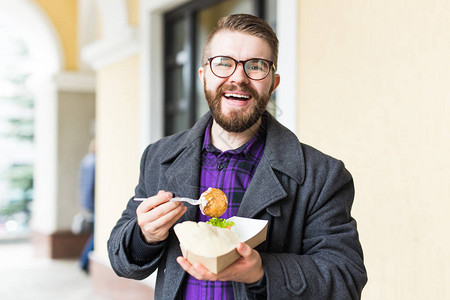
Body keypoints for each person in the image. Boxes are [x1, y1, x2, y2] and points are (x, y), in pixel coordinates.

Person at [108, 14, 367, 299]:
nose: (238, 77)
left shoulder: (322, 175)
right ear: (202, 75)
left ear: (274, 82)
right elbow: (122, 261)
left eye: (256, 66)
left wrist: (261, 272)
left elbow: (346, 278)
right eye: (223, 63)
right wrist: (145, 235)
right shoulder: (158, 157)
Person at [78, 138, 95, 272]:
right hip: (93, 202)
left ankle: (84, 261)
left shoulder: (86, 160)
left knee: (94, 232)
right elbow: (90, 185)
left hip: (87, 201)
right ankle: (84, 262)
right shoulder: (94, 162)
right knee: (96, 233)